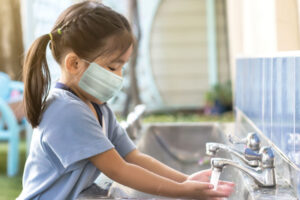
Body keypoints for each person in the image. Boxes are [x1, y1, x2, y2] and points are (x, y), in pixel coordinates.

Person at [17, 1, 234, 199]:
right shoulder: (66, 110)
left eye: (122, 67)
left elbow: (134, 157)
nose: (118, 76)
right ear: (74, 64)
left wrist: (184, 180)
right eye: (112, 67)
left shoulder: (97, 107)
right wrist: (182, 191)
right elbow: (119, 169)